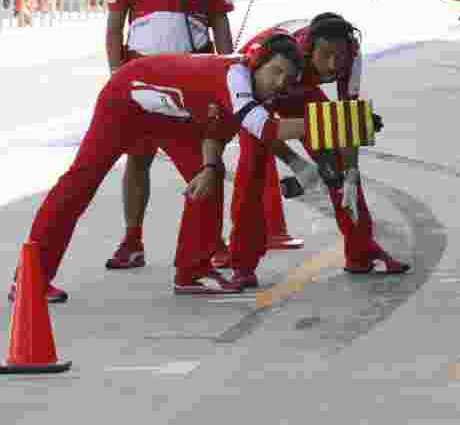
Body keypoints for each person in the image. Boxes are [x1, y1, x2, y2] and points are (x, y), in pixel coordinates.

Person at [9, 35, 310, 302]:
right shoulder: (236, 80)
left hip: (165, 115)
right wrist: (331, 124)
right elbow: (267, 130)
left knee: (209, 176)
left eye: (289, 77)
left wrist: (206, 166)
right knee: (79, 183)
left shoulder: (248, 86)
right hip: (125, 99)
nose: (281, 83)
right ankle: (30, 279)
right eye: (276, 71)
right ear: (256, 63)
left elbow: (213, 135)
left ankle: (192, 273)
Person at [218, 13, 410, 286]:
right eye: (325, 55)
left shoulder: (352, 57)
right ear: (307, 50)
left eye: (339, 56)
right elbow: (261, 127)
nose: (332, 66)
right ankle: (242, 264)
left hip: (302, 92)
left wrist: (352, 173)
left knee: (339, 173)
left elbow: (348, 121)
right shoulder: (273, 54)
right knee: (253, 173)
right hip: (260, 95)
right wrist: (295, 162)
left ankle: (362, 251)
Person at [103, 0, 235, 271]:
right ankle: (132, 241)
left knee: (202, 161)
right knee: (137, 158)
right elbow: (114, 27)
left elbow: (219, 20)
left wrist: (228, 67)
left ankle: (214, 242)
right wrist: (117, 77)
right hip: (141, 78)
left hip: (194, 79)